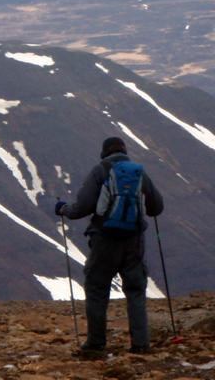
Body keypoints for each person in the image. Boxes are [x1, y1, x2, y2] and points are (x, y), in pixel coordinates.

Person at [55, 136, 164, 356]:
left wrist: (63, 209)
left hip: (105, 240)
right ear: (125, 151)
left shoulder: (100, 171)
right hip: (134, 241)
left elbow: (82, 207)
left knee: (97, 288)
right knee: (135, 290)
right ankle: (140, 344)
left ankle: (96, 344)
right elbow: (157, 207)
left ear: (104, 153)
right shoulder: (138, 172)